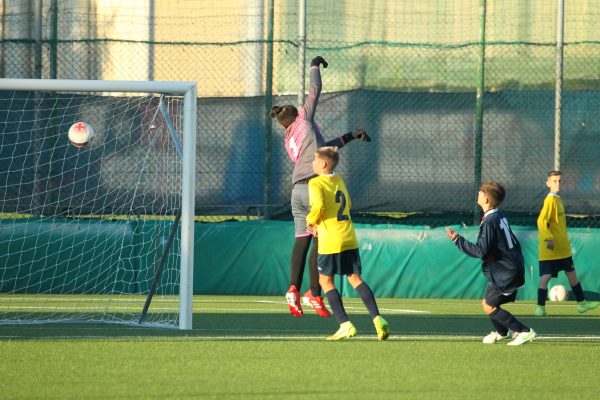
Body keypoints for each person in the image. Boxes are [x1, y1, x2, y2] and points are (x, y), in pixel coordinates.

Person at [269, 55, 371, 318]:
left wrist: (350, 135)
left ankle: (293, 288)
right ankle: (314, 291)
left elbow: (325, 150)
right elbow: (315, 91)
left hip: (297, 192)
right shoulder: (304, 120)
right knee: (321, 240)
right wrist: (314, 65)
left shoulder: (290, 138)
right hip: (314, 189)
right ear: (297, 114)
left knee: (302, 240)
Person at [305, 147, 389, 340]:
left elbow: (318, 206)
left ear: (324, 164)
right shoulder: (339, 179)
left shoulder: (316, 183)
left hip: (330, 239)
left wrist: (311, 221)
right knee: (355, 279)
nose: (312, 163)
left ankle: (345, 324)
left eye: (315, 160)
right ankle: (378, 319)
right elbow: (348, 204)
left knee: (325, 281)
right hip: (348, 236)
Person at [445, 181, 536, 345]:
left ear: (486, 199)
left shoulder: (490, 221)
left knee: (488, 306)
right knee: (488, 303)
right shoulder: (497, 215)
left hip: (506, 272)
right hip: (507, 269)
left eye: (480, 192)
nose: (478, 194)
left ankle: (524, 331)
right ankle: (502, 332)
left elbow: (480, 251)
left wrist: (457, 240)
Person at [534, 171, 599, 316]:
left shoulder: (557, 199)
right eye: (554, 181)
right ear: (548, 183)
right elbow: (541, 221)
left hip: (562, 248)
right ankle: (540, 307)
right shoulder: (550, 200)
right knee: (546, 277)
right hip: (551, 248)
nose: (558, 184)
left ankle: (582, 304)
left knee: (572, 275)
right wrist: (548, 238)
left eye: (560, 181)